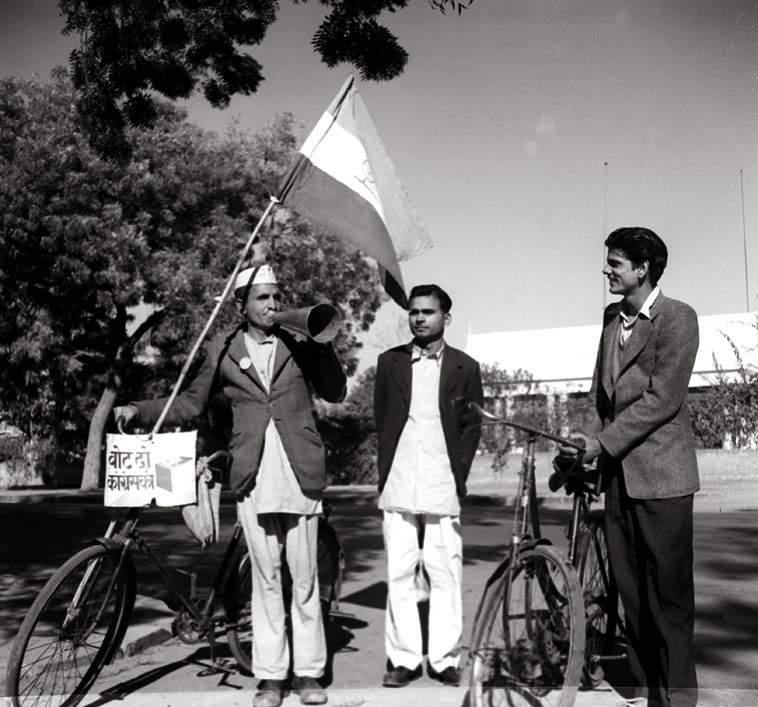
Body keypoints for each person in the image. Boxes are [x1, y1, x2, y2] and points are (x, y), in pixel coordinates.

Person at [114, 264, 346, 707]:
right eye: (263, 298)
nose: (274, 305)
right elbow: (190, 402)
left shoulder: (299, 342)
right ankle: (272, 677)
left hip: (301, 472)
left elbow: (335, 391)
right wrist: (139, 409)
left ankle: (310, 674)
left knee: (305, 578)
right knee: (265, 579)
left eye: (277, 297)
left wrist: (322, 346)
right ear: (241, 305)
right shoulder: (223, 347)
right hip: (252, 475)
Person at [561, 227, 699, 707]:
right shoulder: (609, 319)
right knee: (632, 594)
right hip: (618, 476)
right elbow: (604, 395)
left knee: (669, 598)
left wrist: (604, 442)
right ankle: (645, 685)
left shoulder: (678, 318)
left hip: (663, 476)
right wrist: (589, 445)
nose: (606, 270)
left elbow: (663, 399)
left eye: (615, 263)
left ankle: (677, 698)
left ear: (643, 268)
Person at [373, 283, 483, 689]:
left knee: (444, 572)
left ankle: (443, 659)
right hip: (399, 480)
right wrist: (385, 470)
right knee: (399, 572)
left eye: (428, 312)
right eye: (414, 312)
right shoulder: (390, 363)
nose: (419, 318)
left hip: (442, 482)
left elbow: (473, 427)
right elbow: (381, 418)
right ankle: (402, 659)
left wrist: (460, 473)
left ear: (445, 318)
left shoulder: (465, 367)